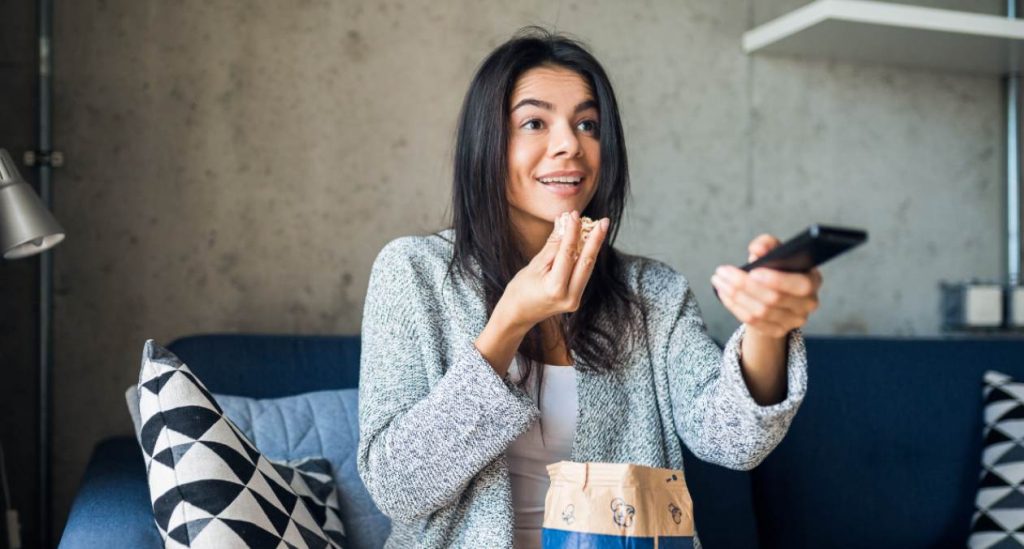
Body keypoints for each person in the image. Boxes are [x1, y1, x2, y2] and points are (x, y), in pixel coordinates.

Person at [357, 27, 822, 549]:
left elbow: (733, 440)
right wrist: (509, 321)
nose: (570, 145)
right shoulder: (414, 273)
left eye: (588, 124)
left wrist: (768, 328)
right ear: (485, 144)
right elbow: (396, 488)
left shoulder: (651, 292)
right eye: (535, 122)